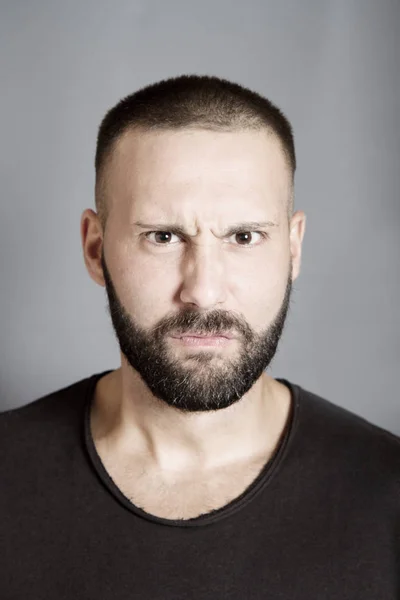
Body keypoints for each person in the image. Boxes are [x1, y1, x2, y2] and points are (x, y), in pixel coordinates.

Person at [1, 74, 399, 599]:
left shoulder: (388, 495)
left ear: (294, 248)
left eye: (244, 237)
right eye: (163, 237)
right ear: (96, 249)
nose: (204, 292)